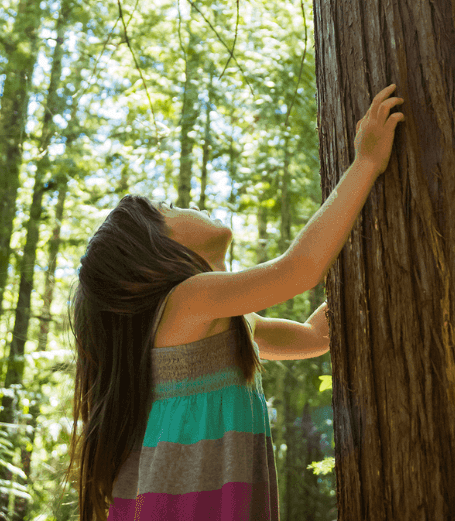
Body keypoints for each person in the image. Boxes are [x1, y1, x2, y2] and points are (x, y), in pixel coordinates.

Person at [65, 84, 407, 521]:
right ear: (153, 249)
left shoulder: (224, 323)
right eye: (167, 207)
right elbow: (299, 270)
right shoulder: (189, 299)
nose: (184, 205)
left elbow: (317, 337)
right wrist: (366, 162)